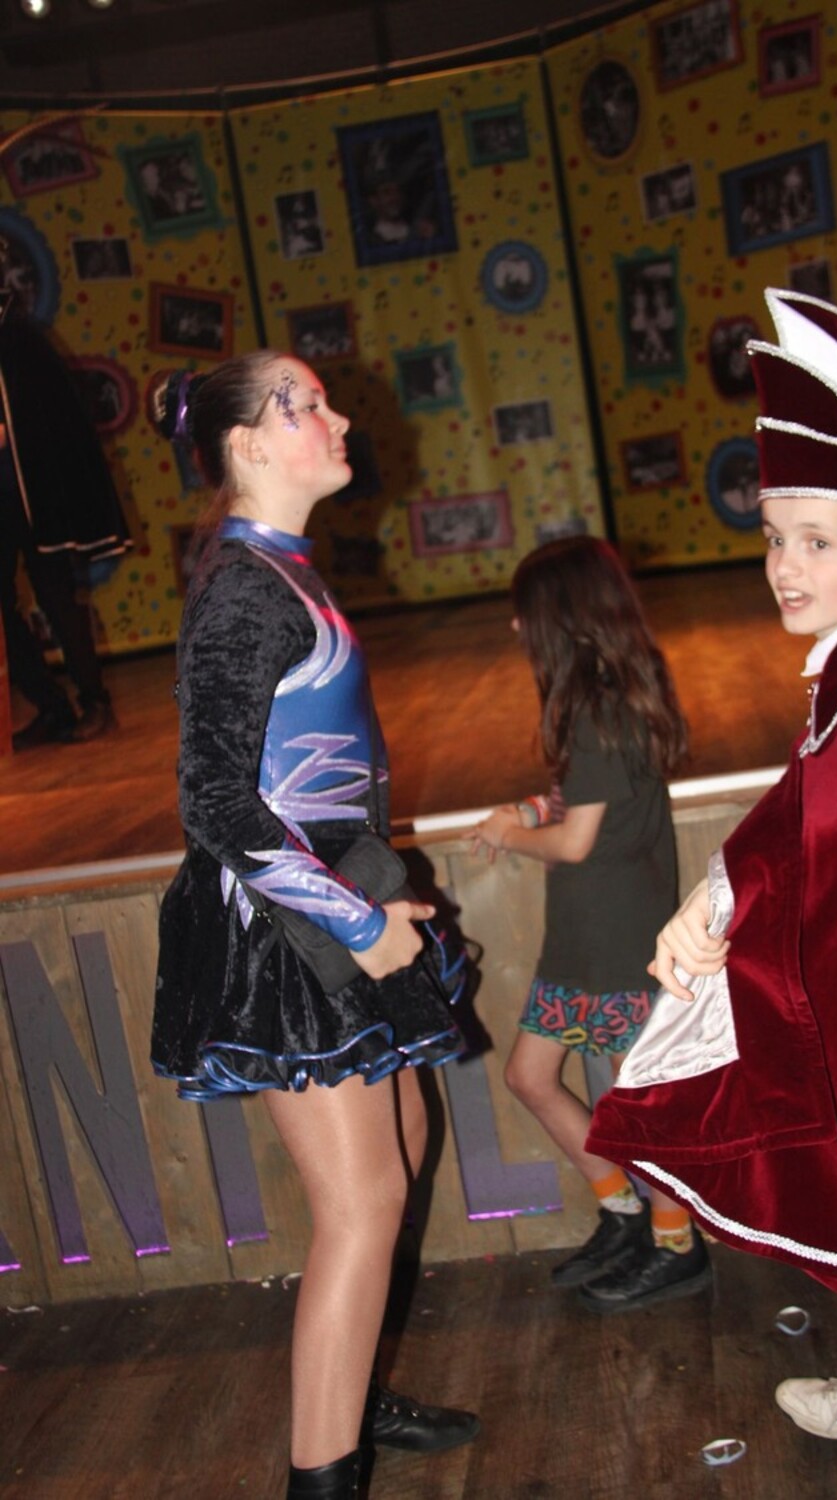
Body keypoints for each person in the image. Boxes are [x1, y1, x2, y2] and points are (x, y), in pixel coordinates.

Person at [587, 289, 837, 1497]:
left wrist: (731, 911)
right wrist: (723, 884)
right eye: (775, 537)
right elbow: (819, 792)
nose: (783, 567)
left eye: (816, 542)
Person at [149, 351, 479, 1500]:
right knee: (364, 1202)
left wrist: (368, 901)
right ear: (247, 445)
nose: (338, 417)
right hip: (286, 925)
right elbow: (214, 802)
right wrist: (354, 920)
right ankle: (322, 1475)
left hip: (334, 898)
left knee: (405, 1154)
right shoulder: (243, 590)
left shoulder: (280, 570)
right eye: (306, 405)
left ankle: (352, 1387)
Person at [469, 536, 711, 1313]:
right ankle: (624, 1212)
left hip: (614, 936)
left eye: (525, 614)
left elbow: (575, 842)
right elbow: (591, 802)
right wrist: (530, 805)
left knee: (630, 1103)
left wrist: (512, 833)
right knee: (530, 1076)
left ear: (561, 619)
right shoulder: (605, 700)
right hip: (585, 930)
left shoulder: (599, 710)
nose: (517, 628)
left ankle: (675, 1246)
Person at [0, 241, 129, 747]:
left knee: (56, 596)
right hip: (5, 497)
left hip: (35, 492)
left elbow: (43, 417)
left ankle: (95, 702)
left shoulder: (18, 337)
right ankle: (49, 705)